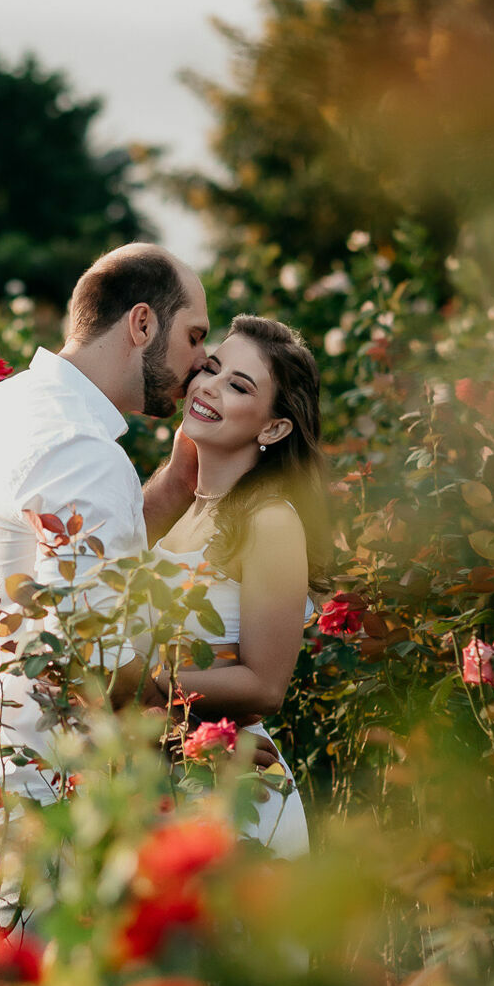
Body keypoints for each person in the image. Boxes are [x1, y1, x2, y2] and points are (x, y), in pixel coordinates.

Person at [0, 243, 212, 916]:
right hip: (56, 795)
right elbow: (102, 657)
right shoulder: (81, 450)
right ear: (142, 324)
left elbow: (69, 570)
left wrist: (177, 485)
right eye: (194, 336)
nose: (201, 362)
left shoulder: (6, 409)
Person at [146, 314, 331, 857]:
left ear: (273, 428)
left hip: (237, 793)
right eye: (212, 368)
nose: (208, 387)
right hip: (167, 771)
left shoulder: (270, 520)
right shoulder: (180, 513)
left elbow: (265, 686)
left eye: (238, 386)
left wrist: (149, 682)